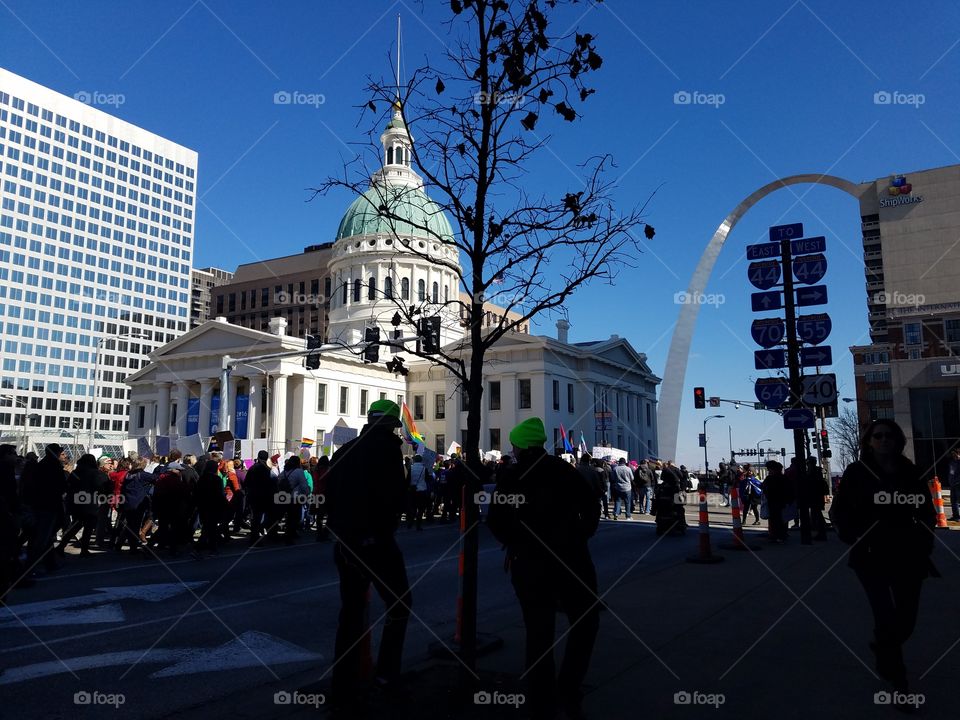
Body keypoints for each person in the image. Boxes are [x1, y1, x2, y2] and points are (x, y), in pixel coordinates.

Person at [487, 417, 601, 720]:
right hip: (572, 560)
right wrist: (581, 534)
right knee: (585, 622)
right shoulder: (565, 471)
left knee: (539, 631)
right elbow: (592, 506)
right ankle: (569, 688)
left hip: (529, 565)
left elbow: (495, 520)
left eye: (513, 445)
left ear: (520, 446)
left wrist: (515, 542)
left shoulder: (512, 476)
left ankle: (542, 699)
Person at [830, 419, 936, 694]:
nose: (884, 440)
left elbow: (927, 511)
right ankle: (899, 681)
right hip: (870, 554)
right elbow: (838, 511)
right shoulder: (856, 472)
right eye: (878, 436)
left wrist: (925, 541)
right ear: (869, 441)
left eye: (890, 435)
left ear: (899, 440)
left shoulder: (911, 472)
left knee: (906, 620)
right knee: (885, 616)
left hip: (908, 552)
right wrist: (852, 536)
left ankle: (882, 647)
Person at [324, 400, 411, 707]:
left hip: (345, 543)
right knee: (400, 605)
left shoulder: (344, 451)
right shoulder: (388, 451)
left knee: (350, 614)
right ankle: (386, 675)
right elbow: (394, 497)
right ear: (390, 425)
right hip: (376, 544)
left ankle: (343, 682)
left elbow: (326, 495)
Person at [244, 451, 275, 546]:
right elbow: (272, 483)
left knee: (256, 518)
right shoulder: (267, 469)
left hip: (253, 496)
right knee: (263, 517)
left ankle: (255, 537)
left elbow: (246, 482)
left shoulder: (252, 468)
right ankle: (257, 538)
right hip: (264, 497)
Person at [761, 460, 792, 543]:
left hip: (773, 501)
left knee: (774, 519)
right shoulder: (784, 478)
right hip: (782, 501)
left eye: (769, 469)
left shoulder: (770, 478)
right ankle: (782, 534)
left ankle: (776, 535)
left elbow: (763, 486)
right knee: (783, 519)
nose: (768, 471)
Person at [947, 447, 960, 521]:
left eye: (954, 454)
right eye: (952, 454)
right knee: (953, 501)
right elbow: (951, 472)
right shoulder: (952, 462)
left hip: (958, 484)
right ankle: (956, 516)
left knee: (958, 500)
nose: (953, 455)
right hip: (952, 484)